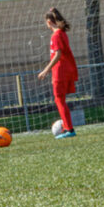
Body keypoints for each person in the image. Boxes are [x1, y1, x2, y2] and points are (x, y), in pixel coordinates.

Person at [38, 8, 78, 139]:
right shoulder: (62, 33)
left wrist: (46, 70)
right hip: (64, 70)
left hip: (60, 71)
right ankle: (67, 127)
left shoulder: (56, 35)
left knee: (59, 100)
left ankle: (69, 129)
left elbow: (58, 54)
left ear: (49, 22)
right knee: (61, 100)